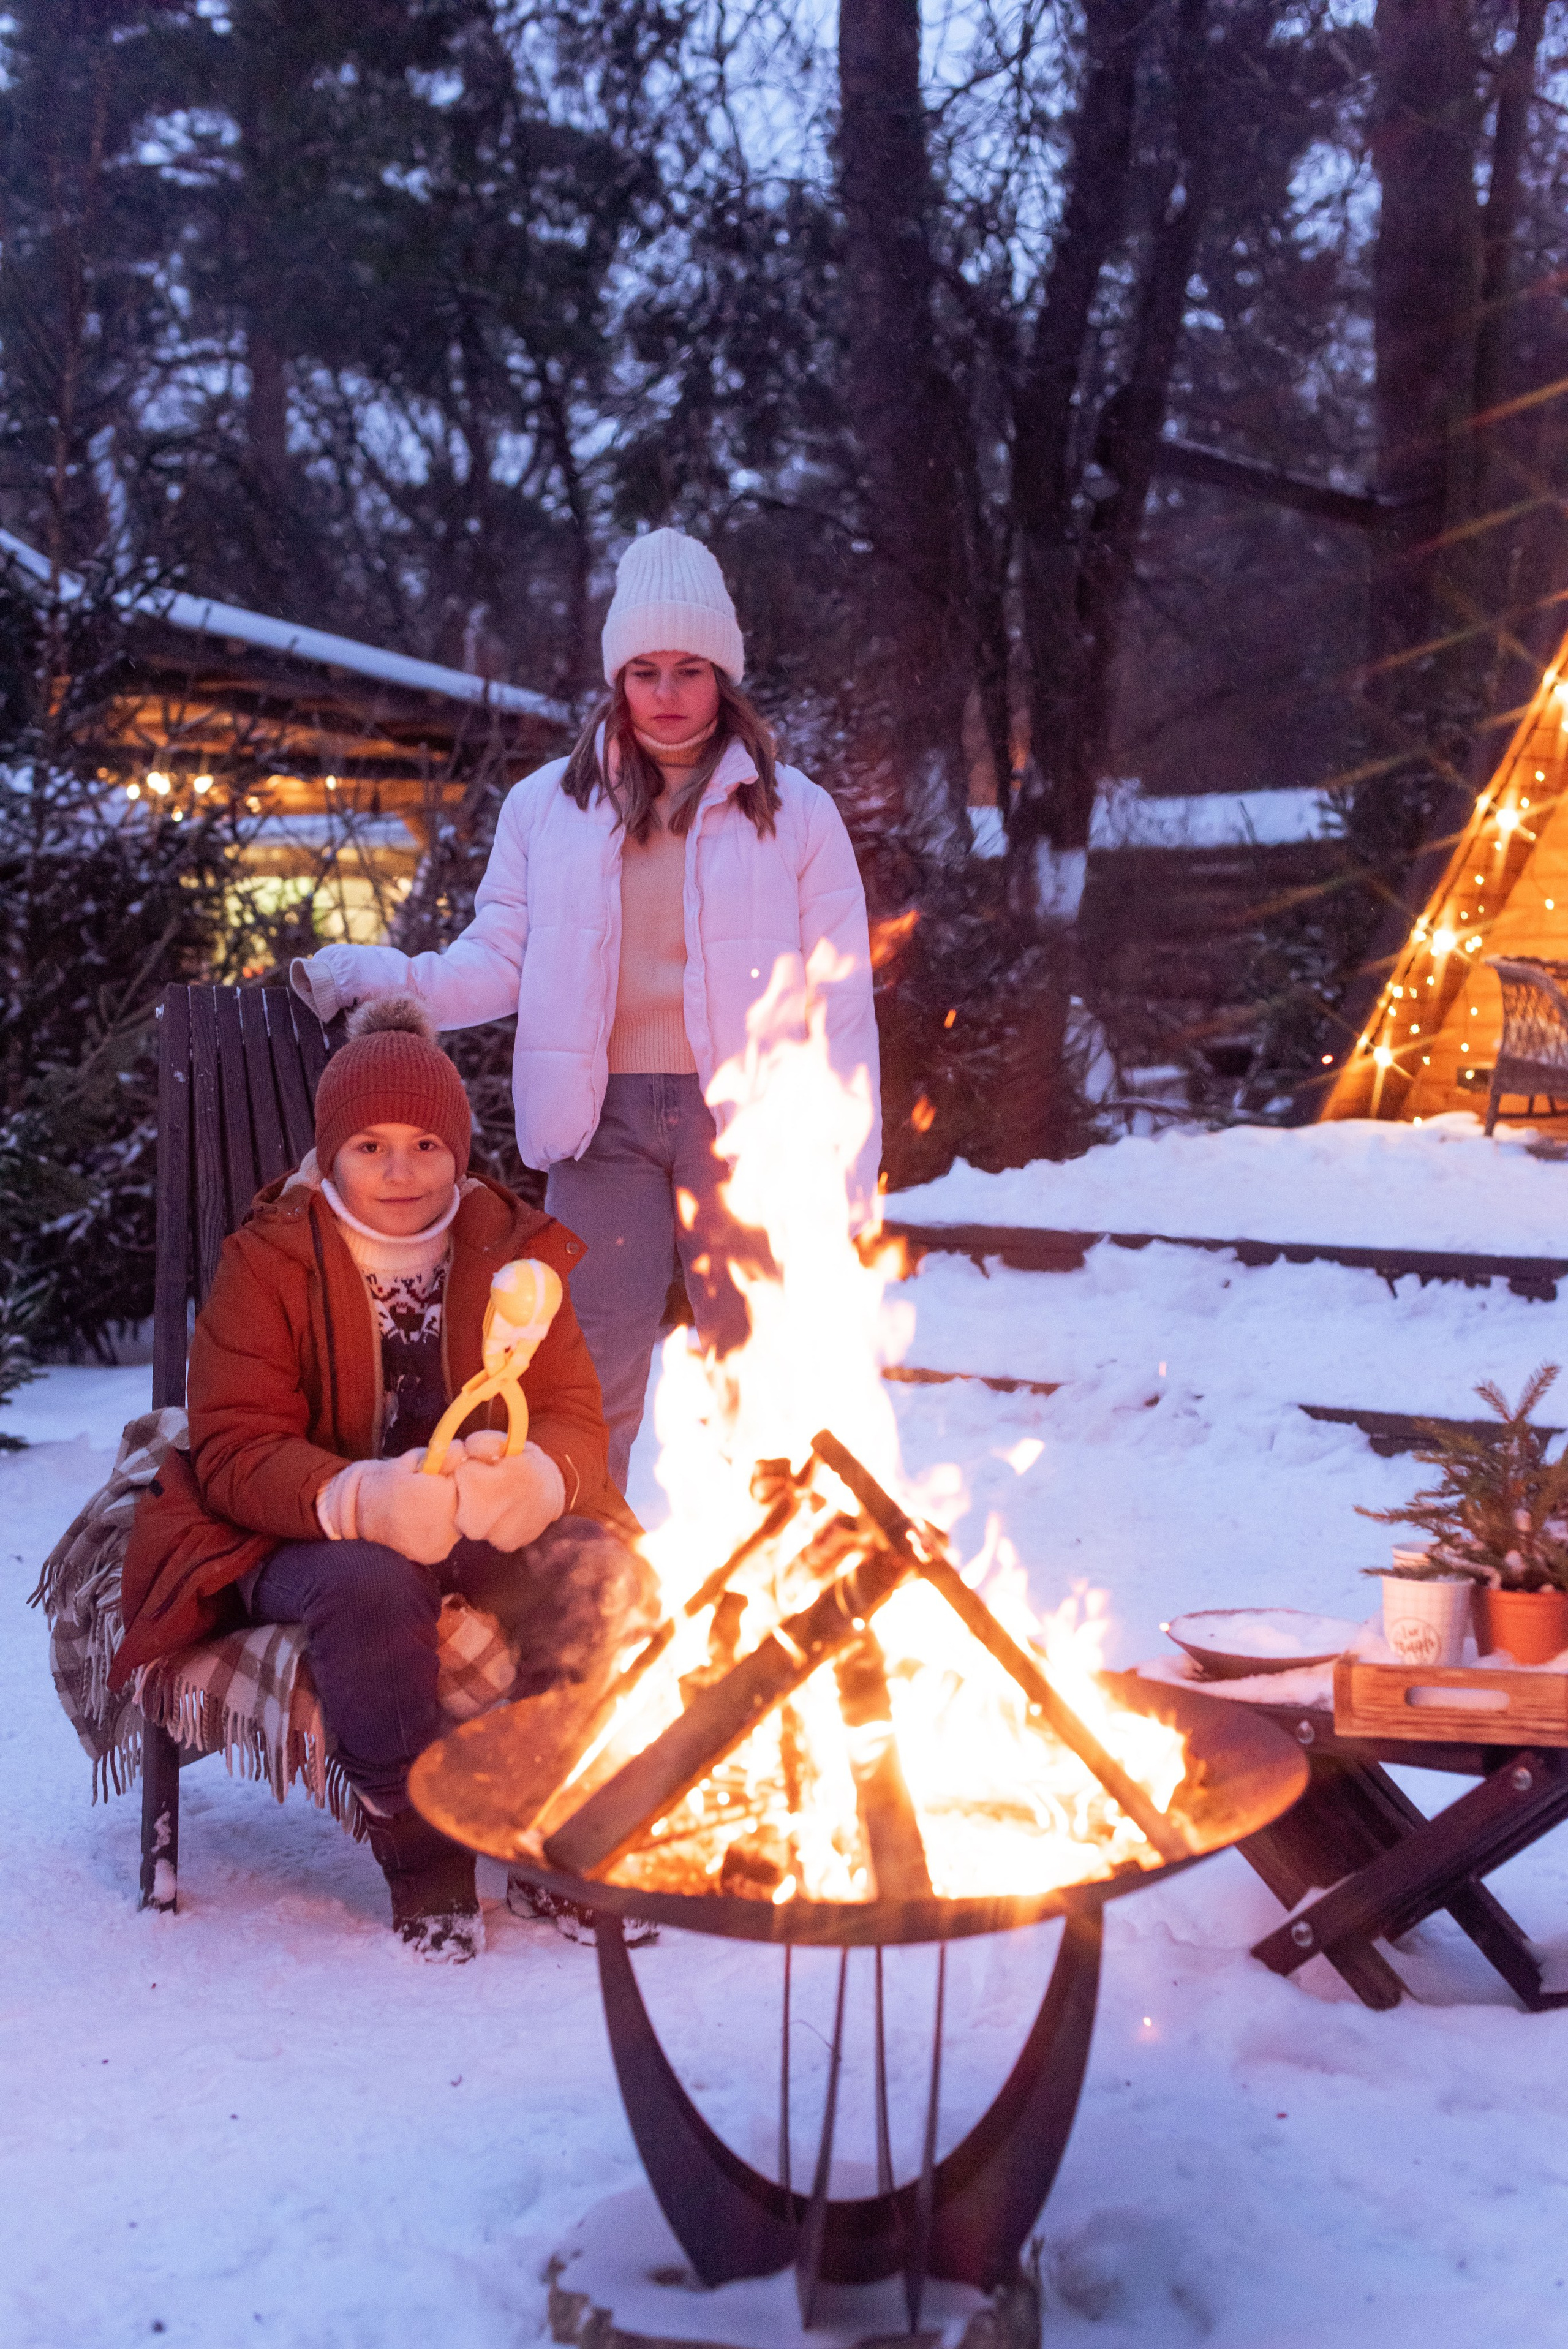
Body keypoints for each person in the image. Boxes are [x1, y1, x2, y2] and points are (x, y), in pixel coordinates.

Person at [290, 527, 880, 1491]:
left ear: (722, 676)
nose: (666, 691)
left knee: (765, 1370)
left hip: (747, 1130)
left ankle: (782, 1571)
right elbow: (495, 962)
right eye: (644, 669)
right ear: (617, 678)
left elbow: (843, 1000)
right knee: (586, 1372)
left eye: (689, 668)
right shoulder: (546, 810)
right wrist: (376, 973)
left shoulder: (796, 812)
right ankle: (584, 1585)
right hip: (597, 1124)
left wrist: (850, 1174)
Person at [113, 998, 657, 1961]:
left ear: (460, 1150)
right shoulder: (271, 1260)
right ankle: (424, 1856)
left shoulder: (512, 1249)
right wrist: (360, 1498)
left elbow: (574, 1409)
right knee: (375, 1584)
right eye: (368, 1147)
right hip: (299, 1529)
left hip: (472, 1511)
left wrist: (538, 1477)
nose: (400, 1171)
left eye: (423, 1145)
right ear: (329, 1156)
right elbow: (236, 1446)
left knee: (598, 1571)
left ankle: (543, 1828)